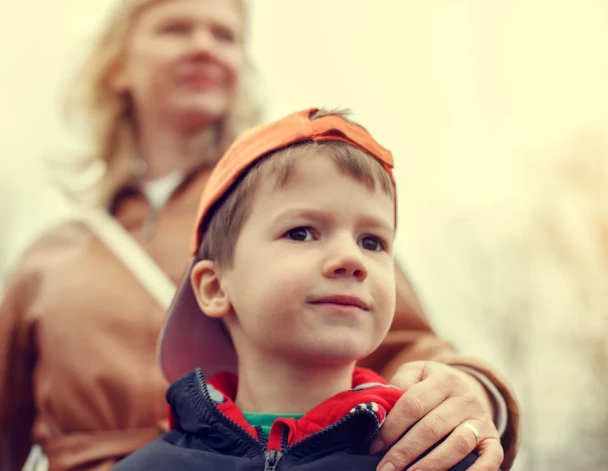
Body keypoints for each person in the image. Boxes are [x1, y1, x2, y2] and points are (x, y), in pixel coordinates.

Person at [0, 1, 519, 470]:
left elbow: (408, 344)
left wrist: (478, 392)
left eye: (225, 35)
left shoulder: (292, 199)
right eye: (176, 28)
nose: (204, 45)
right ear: (117, 66)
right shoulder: (50, 258)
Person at [112, 107, 483, 471]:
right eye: (301, 232)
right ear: (214, 288)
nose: (351, 258)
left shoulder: (434, 460)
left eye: (372, 242)